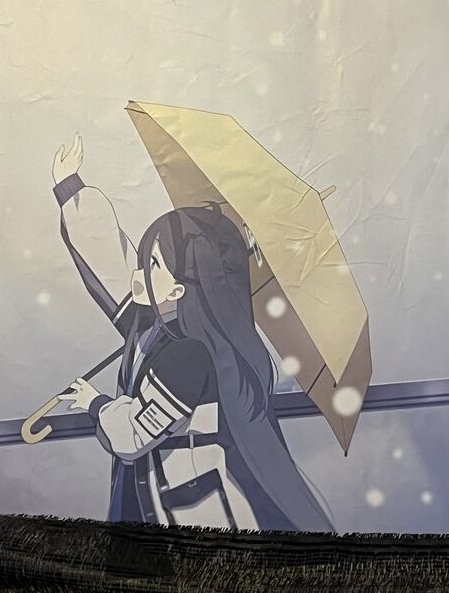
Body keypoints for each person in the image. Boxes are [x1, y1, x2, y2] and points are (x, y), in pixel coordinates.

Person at [51, 134, 334, 531]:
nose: (137, 273)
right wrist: (71, 190)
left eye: (152, 264)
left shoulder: (190, 354)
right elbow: (111, 264)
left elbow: (133, 436)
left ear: (180, 288)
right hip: (165, 504)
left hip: (193, 515)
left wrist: (95, 404)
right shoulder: (160, 326)